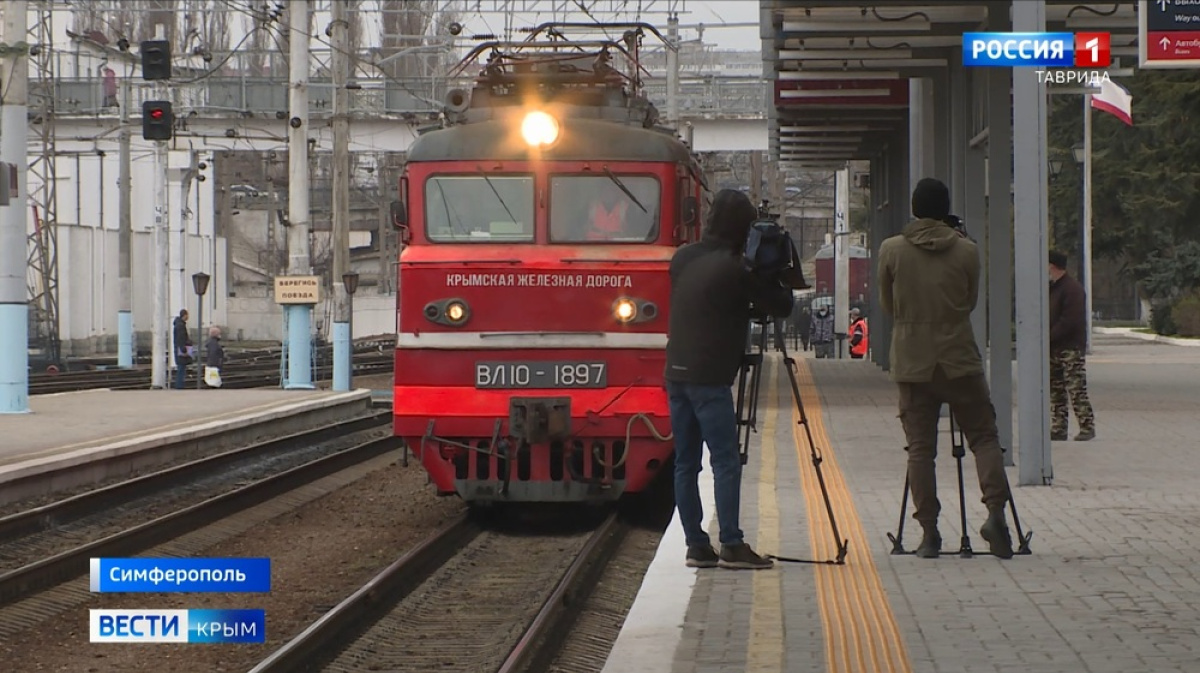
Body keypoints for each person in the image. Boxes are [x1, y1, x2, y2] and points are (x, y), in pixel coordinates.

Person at [878, 177, 1014, 559]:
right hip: (959, 358)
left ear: (914, 209)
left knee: (920, 449)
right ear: (946, 209)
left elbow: (888, 306)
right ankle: (994, 512)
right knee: (984, 437)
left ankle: (929, 533)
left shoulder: (891, 250)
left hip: (912, 360)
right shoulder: (967, 251)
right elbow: (969, 301)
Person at [665, 188, 793, 570]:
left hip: (676, 372)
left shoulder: (682, 258)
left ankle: (696, 545)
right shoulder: (737, 266)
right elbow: (782, 305)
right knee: (725, 460)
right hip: (710, 377)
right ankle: (732, 543)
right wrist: (772, 270)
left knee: (686, 463)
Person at [1049, 250, 1095, 441]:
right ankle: (1059, 427)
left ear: (1052, 266)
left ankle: (1087, 426)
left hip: (1070, 348)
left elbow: (1070, 320)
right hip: (1054, 348)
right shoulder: (1053, 288)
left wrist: (1048, 336)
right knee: (1056, 388)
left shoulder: (1072, 289)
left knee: (1075, 388)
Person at [172, 309, 193, 389]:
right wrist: (184, 349)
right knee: (181, 369)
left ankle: (179, 385)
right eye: (187, 315)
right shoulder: (181, 326)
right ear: (184, 315)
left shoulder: (178, 324)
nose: (188, 317)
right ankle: (179, 386)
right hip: (181, 350)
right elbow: (181, 339)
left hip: (179, 349)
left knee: (181, 368)